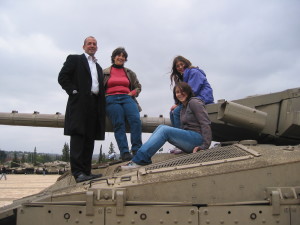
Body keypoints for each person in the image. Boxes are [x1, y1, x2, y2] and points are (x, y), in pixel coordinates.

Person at [122, 82, 212, 169]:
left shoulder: (194, 102)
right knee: (160, 127)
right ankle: (140, 157)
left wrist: (205, 146)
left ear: (188, 91)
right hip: (190, 139)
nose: (180, 94)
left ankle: (140, 160)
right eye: (177, 92)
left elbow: (205, 123)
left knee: (164, 130)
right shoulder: (183, 107)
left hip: (198, 140)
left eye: (182, 91)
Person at [58, 36, 106, 183]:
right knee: (78, 136)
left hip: (94, 103)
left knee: (89, 138)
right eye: (89, 43)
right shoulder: (75, 59)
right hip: (79, 103)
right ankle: (78, 172)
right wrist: (73, 91)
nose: (92, 46)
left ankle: (86, 171)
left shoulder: (98, 67)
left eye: (94, 44)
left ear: (97, 48)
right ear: (83, 46)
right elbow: (62, 77)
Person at [103, 47, 142, 162]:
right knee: (119, 123)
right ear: (114, 57)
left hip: (127, 97)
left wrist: (133, 93)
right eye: (118, 55)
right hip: (111, 98)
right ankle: (124, 152)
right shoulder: (104, 72)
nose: (121, 58)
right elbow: (99, 88)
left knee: (135, 120)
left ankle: (137, 149)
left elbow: (138, 86)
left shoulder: (129, 73)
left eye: (123, 56)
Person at [170, 56, 214, 129]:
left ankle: (180, 135)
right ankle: (177, 134)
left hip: (202, 98)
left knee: (177, 111)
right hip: (192, 99)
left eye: (182, 64)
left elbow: (192, 91)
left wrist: (179, 104)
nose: (180, 67)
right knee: (172, 112)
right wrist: (177, 103)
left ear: (186, 63)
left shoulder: (194, 72)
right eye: (177, 66)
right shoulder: (183, 78)